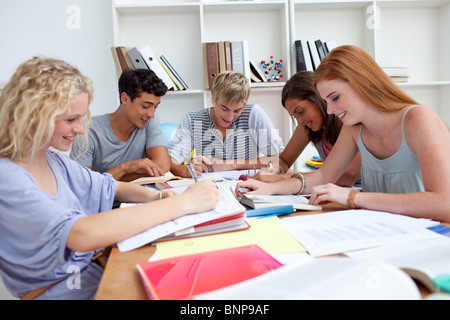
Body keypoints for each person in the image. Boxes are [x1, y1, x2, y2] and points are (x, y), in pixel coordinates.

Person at [0, 57, 219, 300]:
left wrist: (157, 196)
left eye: (81, 118)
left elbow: (107, 185)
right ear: (35, 115)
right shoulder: (7, 177)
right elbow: (81, 234)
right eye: (71, 119)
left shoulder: (54, 160)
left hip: (95, 273)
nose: (81, 129)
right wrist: (181, 203)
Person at [236, 45, 450, 223]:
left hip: (428, 236)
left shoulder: (419, 120)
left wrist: (352, 197)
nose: (329, 110)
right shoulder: (355, 127)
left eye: (335, 98)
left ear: (364, 82)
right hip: (382, 230)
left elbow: (444, 203)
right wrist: (270, 189)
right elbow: (322, 176)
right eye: (326, 101)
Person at [169, 70, 285, 177]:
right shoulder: (193, 120)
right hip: (211, 188)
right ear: (214, 97)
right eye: (224, 108)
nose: (230, 117)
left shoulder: (253, 114)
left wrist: (232, 165)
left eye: (237, 110)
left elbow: (280, 157)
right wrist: (188, 169)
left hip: (249, 185)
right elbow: (170, 161)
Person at [254, 71, 360, 187]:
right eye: (295, 116)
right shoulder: (306, 125)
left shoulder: (350, 122)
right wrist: (274, 170)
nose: (299, 122)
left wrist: (286, 176)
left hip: (362, 192)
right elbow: (284, 160)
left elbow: (348, 177)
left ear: (318, 98)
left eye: (301, 112)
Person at [70, 68, 170, 182]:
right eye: (146, 106)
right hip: (104, 199)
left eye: (155, 107)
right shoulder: (88, 130)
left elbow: (162, 167)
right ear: (125, 98)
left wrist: (111, 179)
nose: (151, 114)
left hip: (138, 196)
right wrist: (125, 168)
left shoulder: (149, 120)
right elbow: (82, 184)